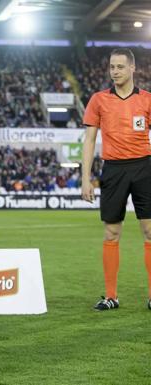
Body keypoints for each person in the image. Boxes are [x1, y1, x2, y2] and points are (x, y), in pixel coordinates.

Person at [81, 48, 151, 311]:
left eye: (120, 67)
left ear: (133, 68)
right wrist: (85, 178)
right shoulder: (98, 100)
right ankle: (111, 296)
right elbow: (88, 141)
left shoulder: (147, 100)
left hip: (144, 167)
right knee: (111, 232)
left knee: (150, 231)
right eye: (112, 67)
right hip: (113, 170)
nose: (115, 71)